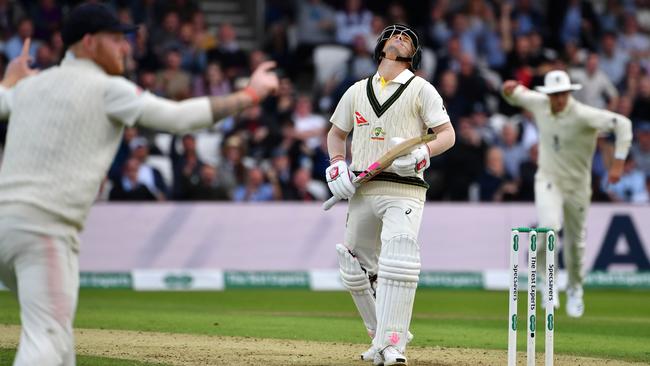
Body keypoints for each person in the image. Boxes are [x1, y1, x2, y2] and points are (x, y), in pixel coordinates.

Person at [0, 3, 278, 366]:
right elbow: (178, 118)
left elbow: (3, 100)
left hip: (7, 226)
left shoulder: (30, 86)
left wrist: (9, 79)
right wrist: (251, 95)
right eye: (115, 39)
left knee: (59, 339)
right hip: (44, 231)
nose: (125, 47)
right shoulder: (106, 88)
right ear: (88, 41)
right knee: (47, 339)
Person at [326, 24, 455, 365]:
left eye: (407, 38)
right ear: (381, 47)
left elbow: (446, 134)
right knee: (354, 267)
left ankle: (394, 345)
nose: (399, 38)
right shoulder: (356, 90)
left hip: (405, 188)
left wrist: (420, 155)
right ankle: (379, 337)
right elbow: (336, 135)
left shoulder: (421, 89)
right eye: (394, 36)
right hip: (363, 187)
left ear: (413, 54)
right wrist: (338, 164)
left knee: (398, 260)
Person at [502, 70, 632, 317]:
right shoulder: (540, 104)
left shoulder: (584, 115)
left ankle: (575, 289)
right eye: (554, 95)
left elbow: (623, 125)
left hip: (578, 186)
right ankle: (544, 283)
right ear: (548, 95)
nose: (559, 99)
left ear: (569, 93)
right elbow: (514, 95)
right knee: (548, 226)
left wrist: (617, 163)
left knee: (576, 242)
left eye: (562, 94)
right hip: (549, 180)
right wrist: (506, 90)